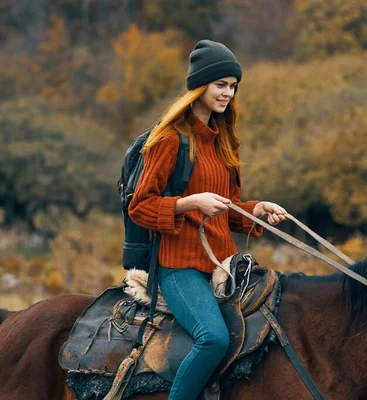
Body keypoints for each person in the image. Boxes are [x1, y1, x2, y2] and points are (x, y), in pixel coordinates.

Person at [128, 39, 286, 400]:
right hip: (180, 267)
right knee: (213, 338)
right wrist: (188, 203)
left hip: (223, 265)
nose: (228, 93)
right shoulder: (169, 140)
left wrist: (256, 209)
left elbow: (225, 207)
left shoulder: (223, 141)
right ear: (199, 86)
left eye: (233, 86)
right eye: (220, 84)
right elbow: (140, 207)